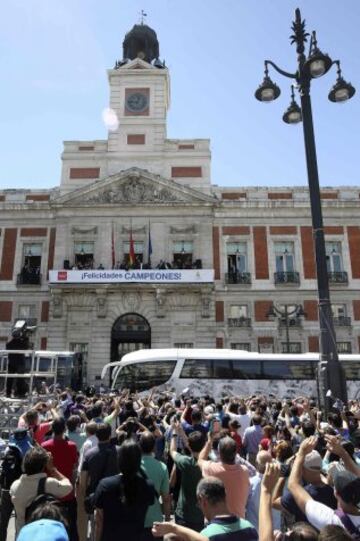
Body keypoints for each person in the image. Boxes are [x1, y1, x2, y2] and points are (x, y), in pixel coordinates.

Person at [288, 436, 360, 534]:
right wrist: (343, 453)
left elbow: (293, 485)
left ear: (336, 493)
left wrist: (301, 453)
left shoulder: (333, 521)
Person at [152, 477, 258, 541]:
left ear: (203, 501)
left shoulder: (207, 536)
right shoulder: (250, 529)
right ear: (224, 495)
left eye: (199, 504)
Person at [93, 440, 155, 541]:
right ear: (139, 460)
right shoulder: (148, 486)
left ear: (119, 459)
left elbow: (99, 521)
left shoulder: (105, 485)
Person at [10, 447, 72, 533]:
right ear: (43, 465)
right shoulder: (49, 484)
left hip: (22, 535)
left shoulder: (15, 486)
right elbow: (68, 486)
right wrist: (52, 469)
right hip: (42, 534)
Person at [42, 418, 78, 541]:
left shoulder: (44, 446)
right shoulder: (72, 446)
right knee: (71, 529)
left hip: (50, 495)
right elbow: (74, 468)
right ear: (64, 429)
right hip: (67, 493)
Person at [198, 434, 250, 518]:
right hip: (239, 522)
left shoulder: (210, 468)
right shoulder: (244, 471)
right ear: (236, 452)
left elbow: (200, 459)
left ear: (219, 452)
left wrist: (209, 442)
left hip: (217, 523)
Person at [170, 424, 205, 532]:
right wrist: (181, 431)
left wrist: (175, 434)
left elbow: (172, 451)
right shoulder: (208, 462)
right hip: (200, 515)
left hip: (183, 514)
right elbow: (193, 447)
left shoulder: (185, 462)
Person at [140, 432, 171, 541]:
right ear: (154, 447)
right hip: (155, 521)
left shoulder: (132, 466)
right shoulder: (162, 467)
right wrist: (167, 520)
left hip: (135, 519)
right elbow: (166, 498)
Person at [246, 450, 281, 532]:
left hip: (255, 531)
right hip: (275, 531)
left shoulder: (250, 483)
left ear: (257, 464)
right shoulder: (279, 483)